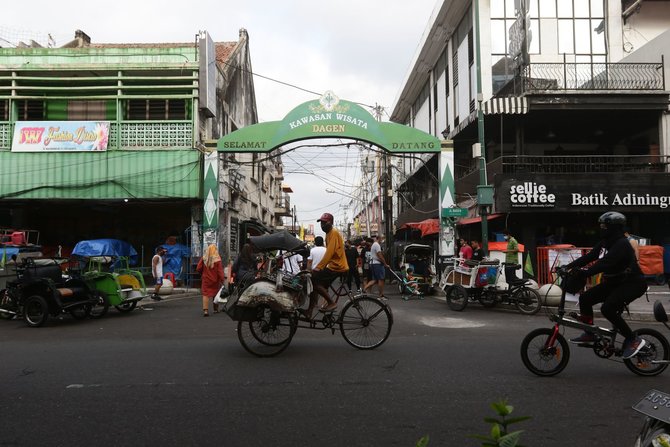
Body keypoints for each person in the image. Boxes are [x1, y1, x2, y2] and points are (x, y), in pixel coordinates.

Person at [564, 211, 648, 359]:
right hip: (615, 282)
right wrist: (567, 266)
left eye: (604, 226)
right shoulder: (606, 242)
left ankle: (633, 339)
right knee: (585, 299)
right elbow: (590, 256)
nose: (601, 228)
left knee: (608, 308)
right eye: (601, 225)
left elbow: (605, 262)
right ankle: (589, 333)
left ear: (614, 228)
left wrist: (585, 273)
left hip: (632, 284)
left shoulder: (622, 244)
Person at [303, 213, 349, 320]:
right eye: (321, 223)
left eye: (325, 222)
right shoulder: (328, 234)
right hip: (333, 265)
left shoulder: (333, 233)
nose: (322, 225)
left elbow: (329, 253)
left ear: (331, 222)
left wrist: (319, 267)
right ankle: (309, 311)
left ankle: (331, 303)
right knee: (315, 285)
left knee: (314, 280)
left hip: (337, 266)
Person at [196, 244, 225, 317]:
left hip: (206, 279)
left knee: (205, 294)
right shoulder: (218, 259)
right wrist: (222, 279)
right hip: (215, 280)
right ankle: (215, 309)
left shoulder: (204, 258)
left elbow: (198, 268)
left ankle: (205, 311)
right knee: (215, 294)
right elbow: (220, 271)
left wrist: (202, 273)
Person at [363, 235, 389, 299]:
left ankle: (364, 288)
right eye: (382, 239)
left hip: (373, 264)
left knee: (375, 280)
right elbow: (379, 255)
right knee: (381, 279)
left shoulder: (374, 245)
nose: (382, 240)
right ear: (378, 238)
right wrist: (385, 263)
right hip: (377, 264)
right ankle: (380, 295)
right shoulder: (377, 245)